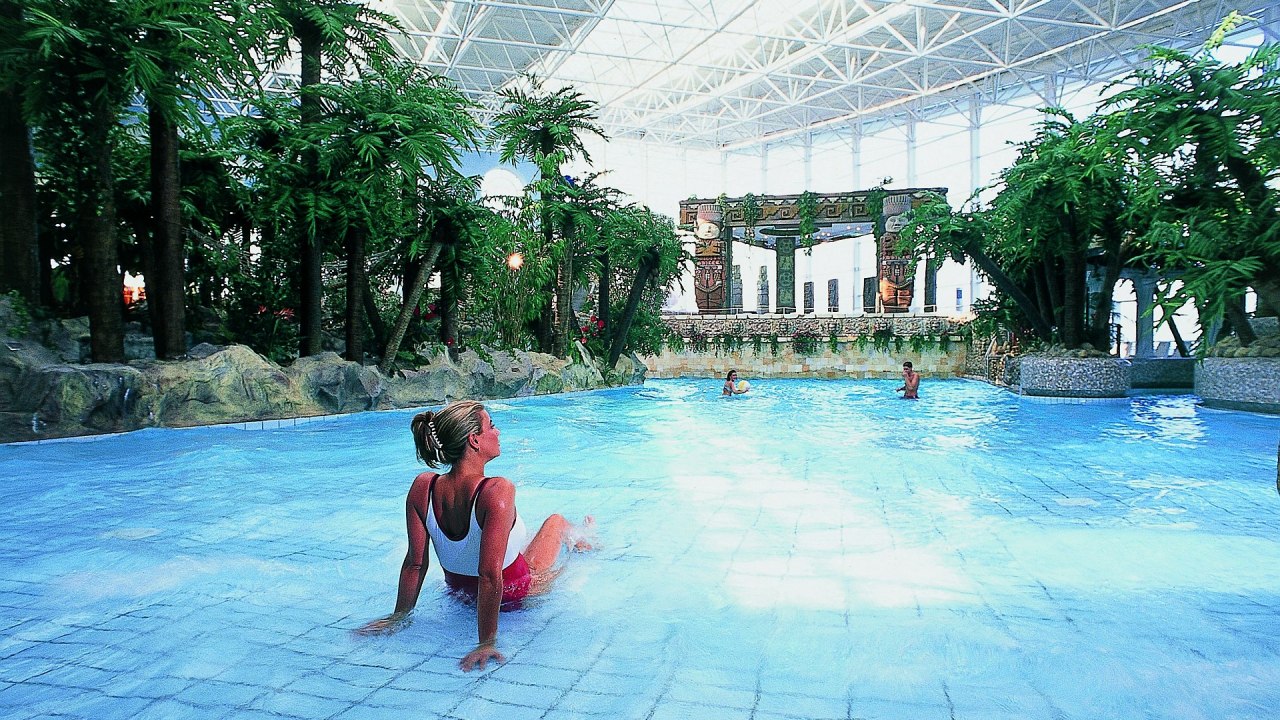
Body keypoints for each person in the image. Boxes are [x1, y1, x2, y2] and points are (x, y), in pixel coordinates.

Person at [358, 400, 591, 671]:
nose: (498, 432)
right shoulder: (496, 490)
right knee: (555, 521)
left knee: (522, 542)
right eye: (491, 426)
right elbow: (490, 575)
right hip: (518, 595)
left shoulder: (423, 487)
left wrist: (399, 616)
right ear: (474, 440)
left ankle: (579, 535)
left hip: (459, 594)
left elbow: (415, 563)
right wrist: (486, 642)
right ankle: (585, 534)